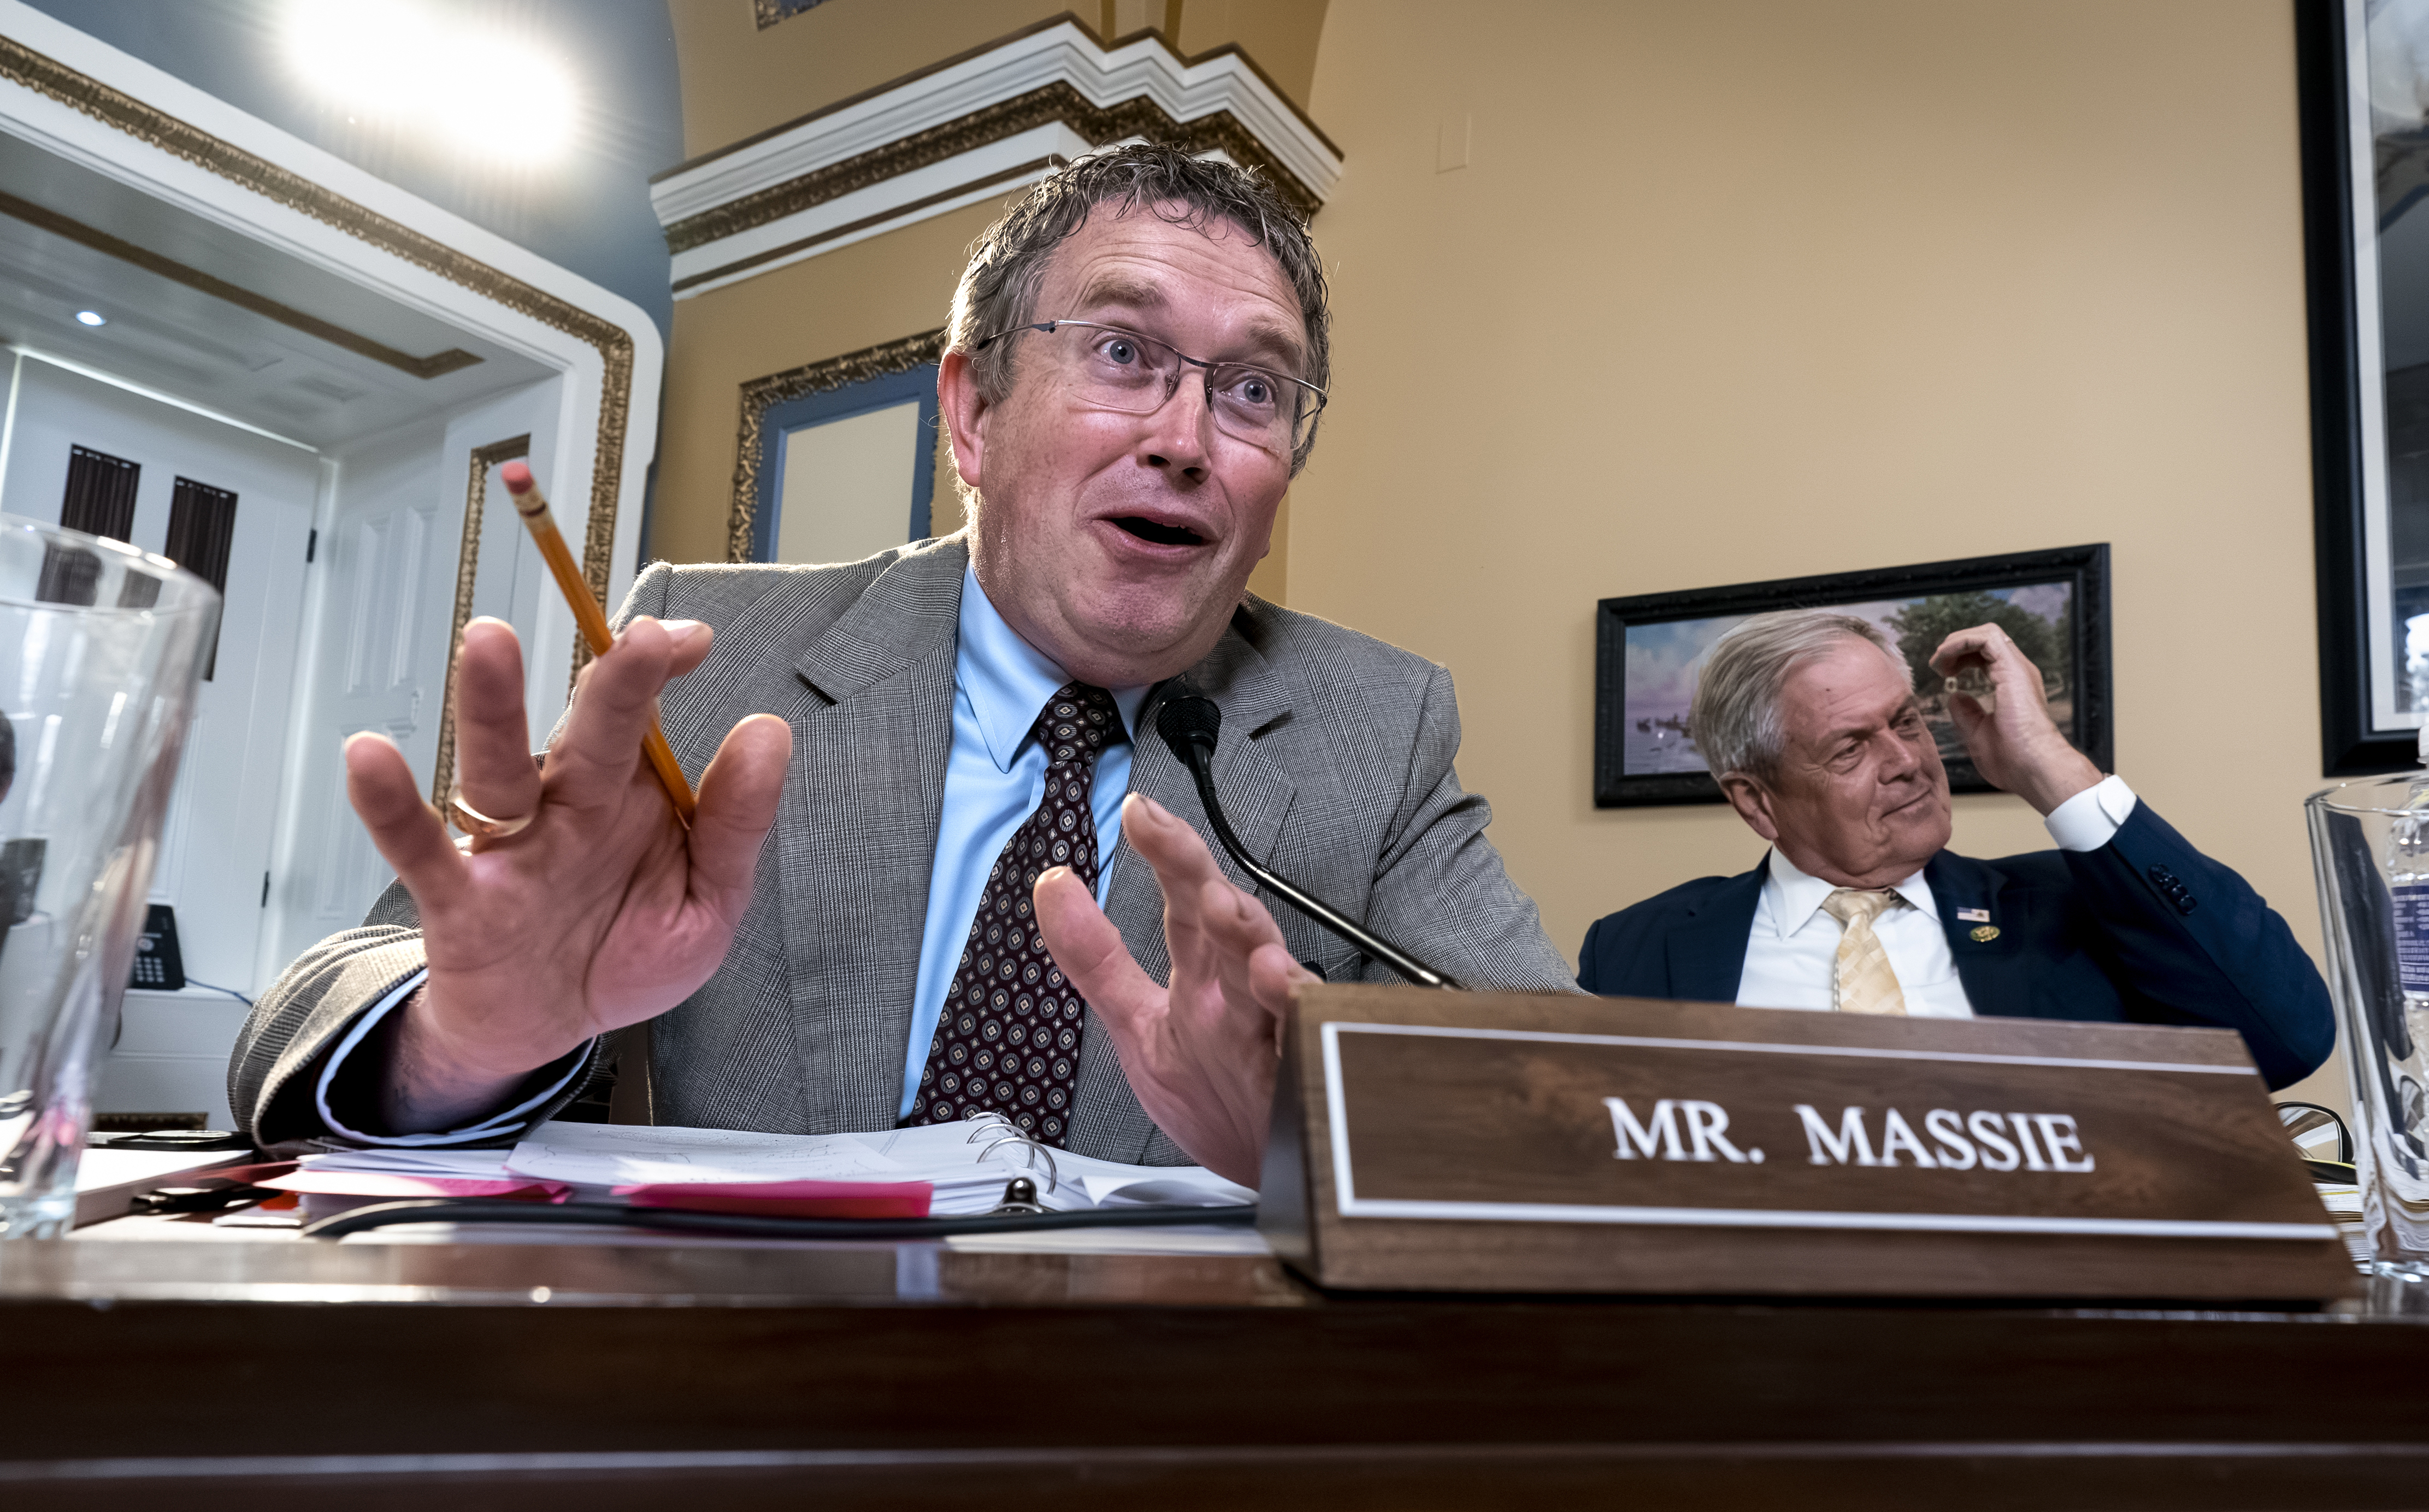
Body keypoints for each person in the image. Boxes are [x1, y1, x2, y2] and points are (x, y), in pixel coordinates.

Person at [228, 144, 1573, 1185]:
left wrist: (1304, 1133)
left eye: (1253, 391)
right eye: (1123, 353)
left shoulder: (1375, 726)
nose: (1186, 436)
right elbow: (309, 1022)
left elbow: (1573, 1112)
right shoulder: (701, 653)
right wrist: (466, 1038)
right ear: (973, 412)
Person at [1576, 610, 2333, 1089]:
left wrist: (2057, 775)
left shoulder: (2071, 907)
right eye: (1849, 748)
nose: (1906, 760)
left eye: (1905, 722)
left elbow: (2284, 1040)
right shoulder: (1636, 948)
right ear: (1755, 801)